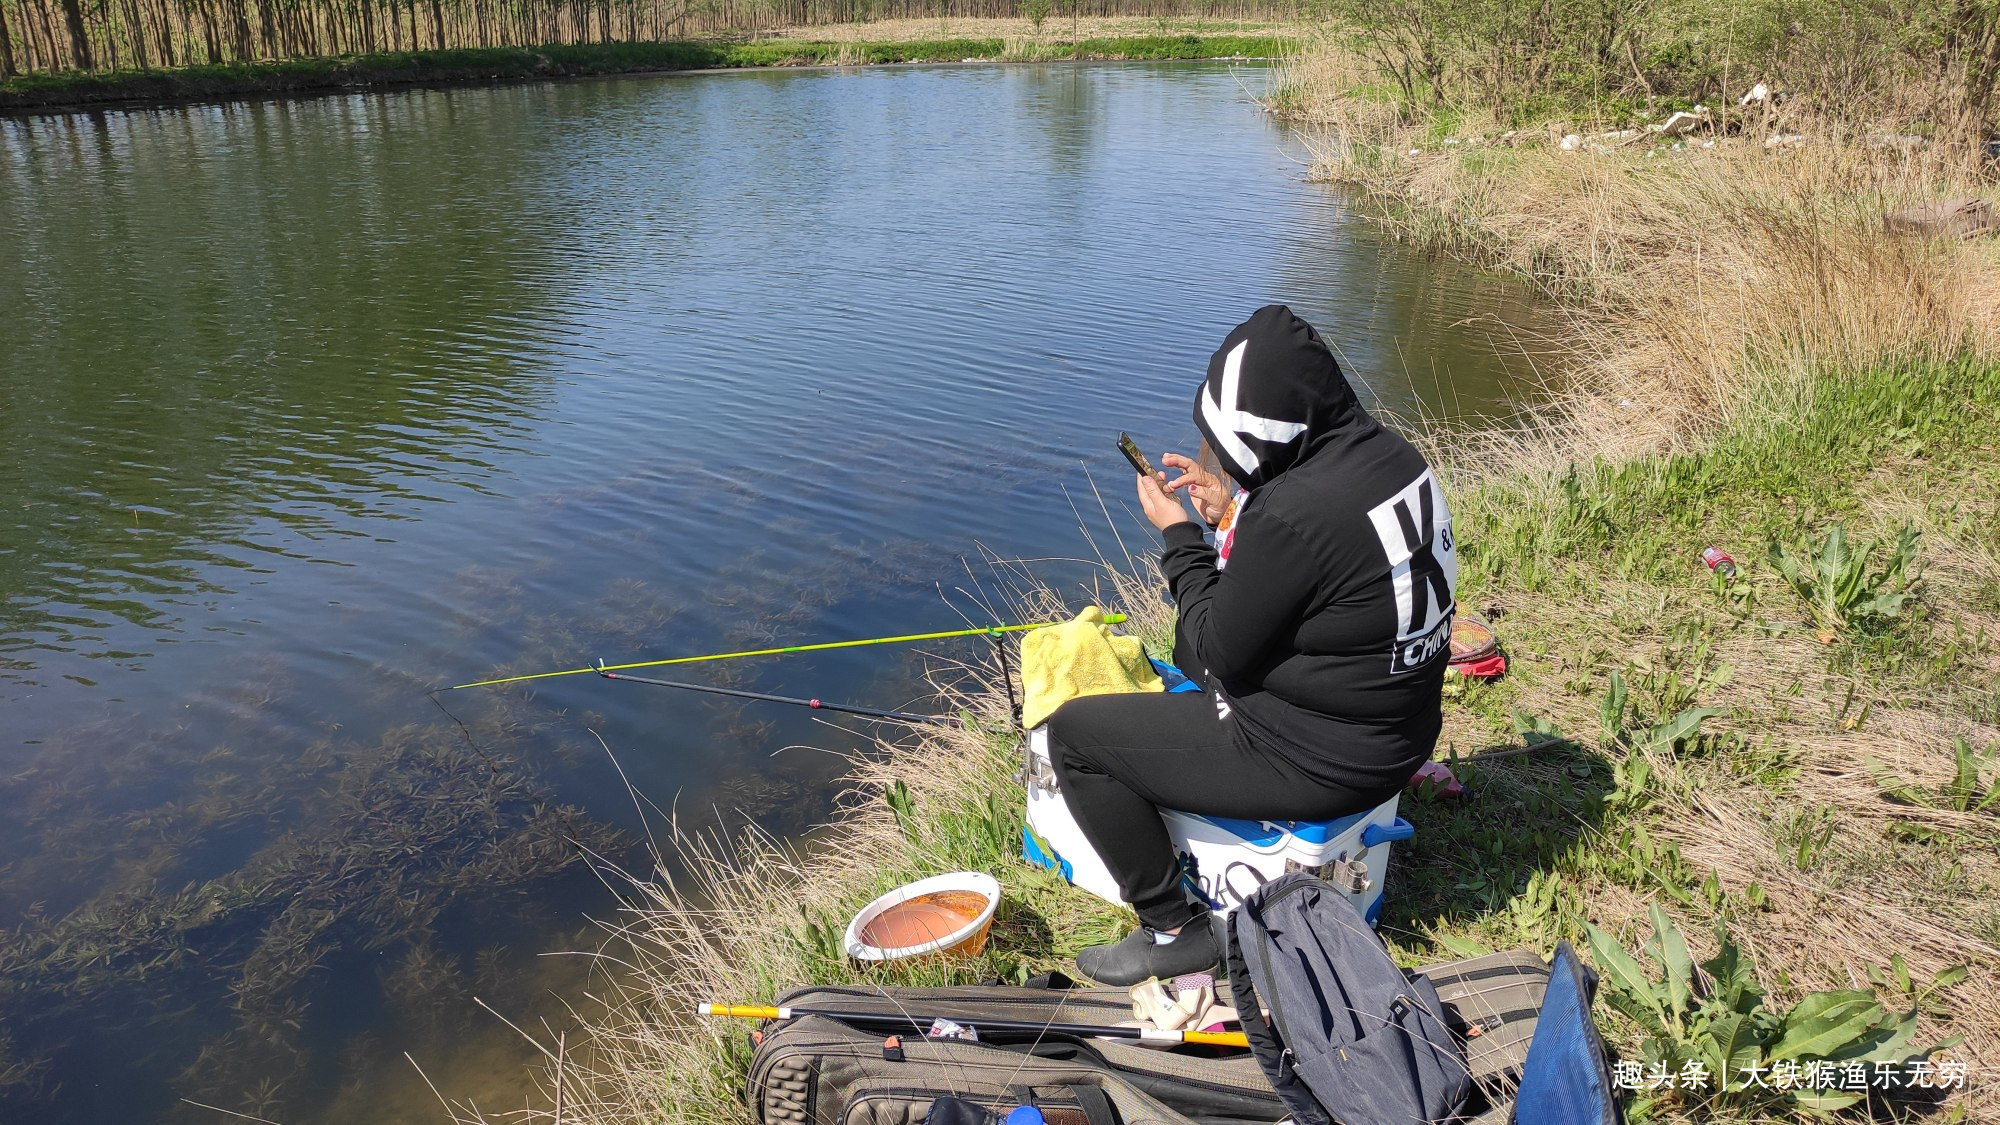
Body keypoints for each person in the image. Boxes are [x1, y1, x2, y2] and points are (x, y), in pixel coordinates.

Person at [1048, 304, 1459, 986]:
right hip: (1402, 730)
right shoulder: (1391, 456)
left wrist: (1181, 537)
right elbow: (1316, 574)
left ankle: (1172, 930)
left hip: (1327, 761)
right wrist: (1233, 515)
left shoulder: (1293, 512)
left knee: (1076, 737)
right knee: (1193, 661)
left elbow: (1212, 653)